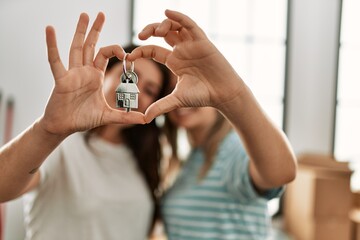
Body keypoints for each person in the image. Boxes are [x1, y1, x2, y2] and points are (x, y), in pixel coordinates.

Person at [127, 10, 297, 239]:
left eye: (191, 84)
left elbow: (280, 172)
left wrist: (233, 95)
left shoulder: (232, 150)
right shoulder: (187, 163)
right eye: (171, 90)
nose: (183, 97)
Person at [0, 12, 171, 239]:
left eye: (149, 90)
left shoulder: (144, 159)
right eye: (128, 77)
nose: (135, 91)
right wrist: (48, 130)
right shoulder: (61, 145)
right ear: (106, 73)